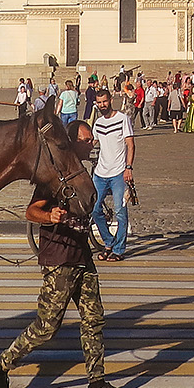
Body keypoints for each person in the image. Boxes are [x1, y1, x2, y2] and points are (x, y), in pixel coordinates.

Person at [0, 120, 139, 388]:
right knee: (46, 327)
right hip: (59, 259)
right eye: (87, 139)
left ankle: (97, 384)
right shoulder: (52, 174)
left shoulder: (79, 172)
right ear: (72, 141)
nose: (92, 143)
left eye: (92, 140)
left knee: (94, 319)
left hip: (81, 257)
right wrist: (50, 216)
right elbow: (30, 211)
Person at [88, 88, 135, 261]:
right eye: (99, 102)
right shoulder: (99, 123)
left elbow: (130, 144)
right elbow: (92, 143)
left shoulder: (122, 119)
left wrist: (128, 168)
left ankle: (119, 249)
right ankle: (108, 242)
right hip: (100, 173)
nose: (102, 105)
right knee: (93, 209)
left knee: (120, 211)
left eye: (104, 101)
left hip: (118, 173)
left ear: (111, 100)